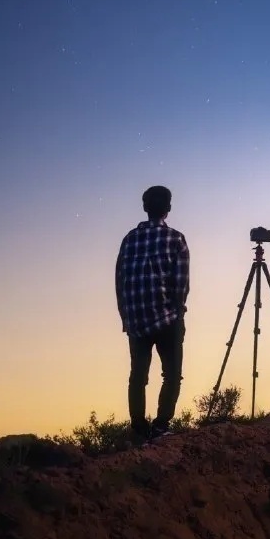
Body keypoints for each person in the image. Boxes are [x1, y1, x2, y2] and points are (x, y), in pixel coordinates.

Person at [115, 185, 190, 440]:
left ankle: (138, 428)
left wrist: (125, 316)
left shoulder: (129, 239)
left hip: (136, 320)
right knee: (171, 375)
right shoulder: (176, 239)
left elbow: (119, 279)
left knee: (138, 376)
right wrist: (179, 313)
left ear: (145, 207)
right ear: (168, 209)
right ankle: (160, 427)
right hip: (167, 318)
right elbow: (180, 284)